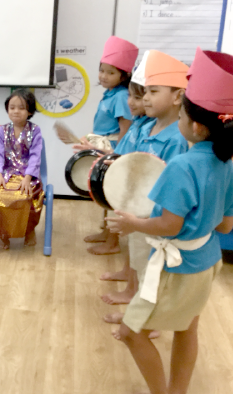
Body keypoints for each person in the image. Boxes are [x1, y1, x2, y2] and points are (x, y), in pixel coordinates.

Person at [107, 47, 233, 394]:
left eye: (183, 110)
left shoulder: (182, 167)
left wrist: (131, 223)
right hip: (207, 260)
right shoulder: (226, 164)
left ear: (196, 125)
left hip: (176, 266)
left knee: (130, 332)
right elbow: (226, 224)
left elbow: (169, 225)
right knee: (187, 329)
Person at [98, 50, 189, 313]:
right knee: (138, 260)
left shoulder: (176, 138)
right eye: (144, 91)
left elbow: (171, 189)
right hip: (139, 212)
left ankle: (146, 323)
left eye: (153, 91)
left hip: (155, 217)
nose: (145, 98)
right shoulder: (148, 128)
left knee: (152, 269)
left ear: (177, 96)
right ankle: (138, 316)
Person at [83, 36, 138, 255]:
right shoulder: (111, 94)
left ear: (124, 76)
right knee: (106, 195)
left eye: (110, 72)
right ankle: (106, 233)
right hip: (104, 147)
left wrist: (116, 154)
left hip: (115, 150)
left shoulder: (122, 96)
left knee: (115, 197)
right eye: (102, 70)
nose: (104, 76)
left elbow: (125, 129)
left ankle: (112, 242)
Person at [0, 89, 44, 249]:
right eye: (12, 107)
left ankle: (28, 231)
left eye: (21, 108)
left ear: (30, 111)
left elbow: (35, 156)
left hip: (27, 176)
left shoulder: (35, 131)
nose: (16, 111)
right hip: (6, 174)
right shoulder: (2, 131)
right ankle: (3, 232)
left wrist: (28, 177)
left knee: (26, 196)